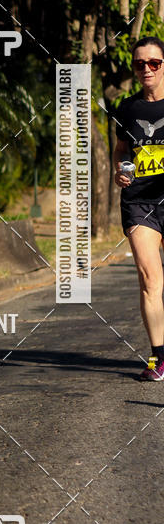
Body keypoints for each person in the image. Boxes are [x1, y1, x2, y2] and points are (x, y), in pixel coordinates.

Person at [114, 35, 164, 380]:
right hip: (140, 201)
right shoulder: (128, 108)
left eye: (154, 63)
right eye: (139, 64)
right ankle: (159, 357)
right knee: (149, 279)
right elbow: (120, 149)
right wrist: (119, 169)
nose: (146, 69)